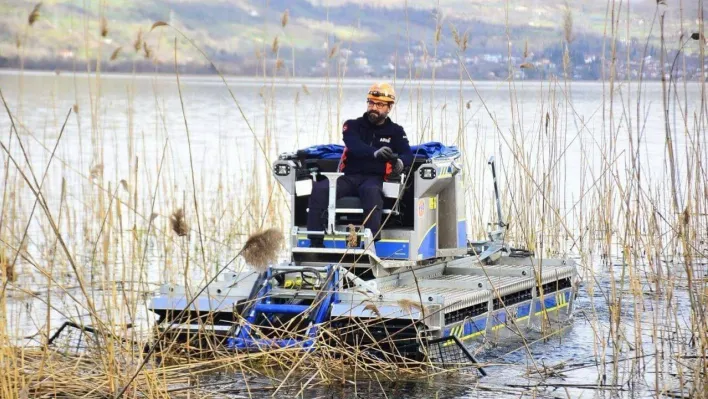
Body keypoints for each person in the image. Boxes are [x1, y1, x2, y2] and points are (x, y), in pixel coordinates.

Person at [307, 82, 413, 248]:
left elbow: (408, 155)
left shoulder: (396, 131)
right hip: (349, 177)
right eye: (371, 103)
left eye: (379, 104)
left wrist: (399, 163)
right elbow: (354, 144)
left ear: (389, 108)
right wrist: (375, 153)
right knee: (320, 189)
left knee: (371, 191)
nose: (374, 107)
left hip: (374, 178)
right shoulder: (352, 125)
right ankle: (315, 243)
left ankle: (369, 244)